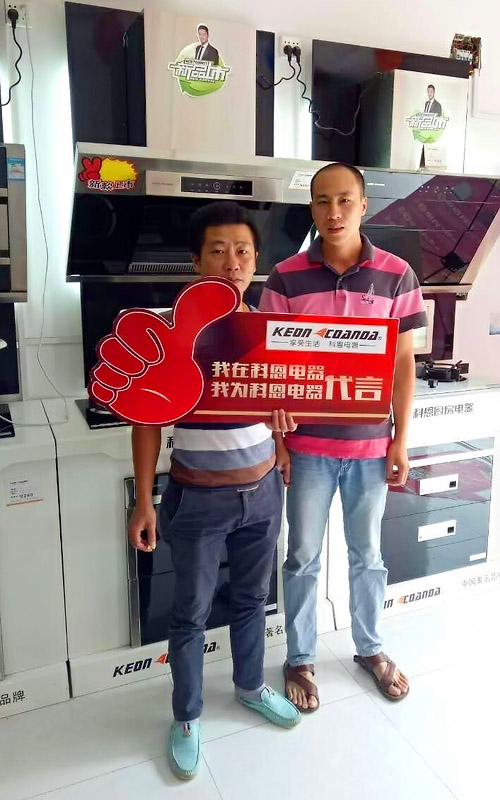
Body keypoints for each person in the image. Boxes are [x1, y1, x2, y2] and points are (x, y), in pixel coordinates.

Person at [128, 201, 300, 782]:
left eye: (243, 251)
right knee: (191, 614)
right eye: (218, 251)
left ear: (256, 260)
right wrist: (144, 501)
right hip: (198, 497)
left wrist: (282, 441)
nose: (232, 262)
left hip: (262, 493)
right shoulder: (170, 332)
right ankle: (186, 717)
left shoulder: (269, 329)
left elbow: (280, 403)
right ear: (196, 260)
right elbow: (146, 420)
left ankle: (250, 686)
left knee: (253, 600)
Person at [259, 163, 427, 711]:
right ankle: (300, 656)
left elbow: (403, 363)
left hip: (371, 448)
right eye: (322, 202)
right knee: (302, 557)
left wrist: (400, 439)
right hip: (307, 449)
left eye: (344, 200)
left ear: (363, 205)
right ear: (311, 209)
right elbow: (272, 367)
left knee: (368, 555)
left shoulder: (397, 274)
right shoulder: (284, 278)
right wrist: (280, 443)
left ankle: (370, 648)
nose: (334, 212)